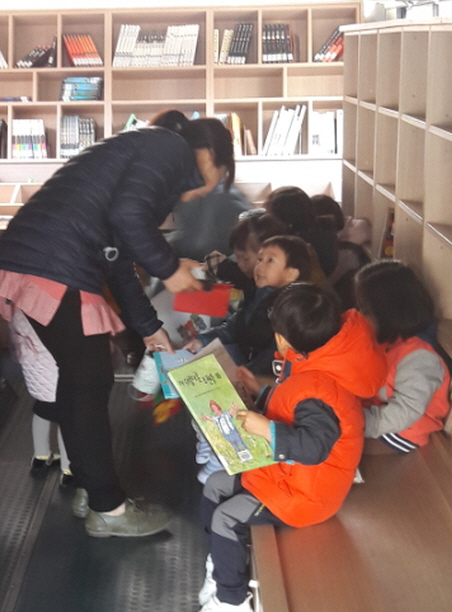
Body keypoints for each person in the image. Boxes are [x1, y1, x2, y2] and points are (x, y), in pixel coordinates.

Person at [0, 109, 235, 538]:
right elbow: (128, 218)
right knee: (89, 381)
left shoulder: (142, 156)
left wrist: (149, 327)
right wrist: (169, 268)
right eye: (216, 176)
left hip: (38, 256)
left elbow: (119, 262)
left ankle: (91, 488)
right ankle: (108, 509)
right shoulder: (167, 145)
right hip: (55, 261)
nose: (197, 194)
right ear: (209, 154)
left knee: (81, 382)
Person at [198, 283, 386, 612]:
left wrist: (265, 428)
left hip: (307, 494)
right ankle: (221, 562)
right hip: (286, 475)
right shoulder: (314, 361)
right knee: (215, 484)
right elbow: (293, 406)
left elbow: (313, 447)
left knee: (226, 518)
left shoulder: (321, 387)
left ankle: (231, 600)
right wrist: (261, 392)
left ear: (282, 340)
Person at [186, 234, 311, 482]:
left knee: (221, 399)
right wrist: (204, 339)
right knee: (196, 382)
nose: (259, 266)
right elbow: (236, 326)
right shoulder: (260, 294)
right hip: (247, 363)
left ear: (291, 274)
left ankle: (220, 458)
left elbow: (276, 355)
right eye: (260, 259)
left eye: (270, 261)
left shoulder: (293, 310)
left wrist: (247, 375)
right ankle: (207, 437)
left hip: (267, 376)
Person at [355, 259, 451, 453]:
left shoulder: (420, 358)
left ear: (388, 313)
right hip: (377, 415)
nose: (360, 316)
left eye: (366, 311)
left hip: (403, 433)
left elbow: (405, 412)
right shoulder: (390, 339)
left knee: (332, 447)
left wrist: (358, 422)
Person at [263, 185, 338, 283]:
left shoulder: (296, 247)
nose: (265, 218)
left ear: (284, 219)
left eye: (269, 214)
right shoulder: (324, 232)